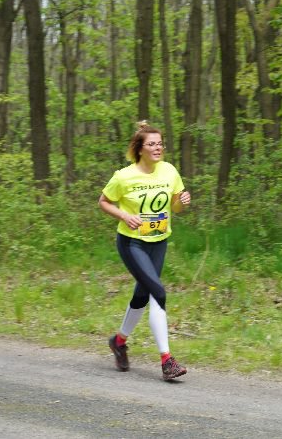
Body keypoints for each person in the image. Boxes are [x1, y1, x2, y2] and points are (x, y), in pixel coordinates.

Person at [98, 121, 191, 381]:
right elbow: (103, 202)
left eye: (160, 143)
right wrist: (124, 215)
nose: (158, 148)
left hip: (159, 241)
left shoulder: (169, 171)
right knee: (157, 292)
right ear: (140, 149)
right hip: (132, 243)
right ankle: (167, 361)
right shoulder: (123, 176)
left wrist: (182, 201)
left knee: (142, 294)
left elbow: (176, 208)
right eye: (152, 144)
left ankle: (118, 342)